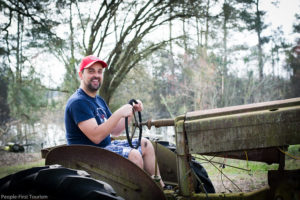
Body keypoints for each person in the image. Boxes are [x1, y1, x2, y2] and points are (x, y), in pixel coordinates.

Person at [64, 55, 165, 188]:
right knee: (133, 155)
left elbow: (116, 130)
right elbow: (96, 137)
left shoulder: (99, 100)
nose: (96, 75)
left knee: (145, 143)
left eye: (99, 71)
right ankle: (140, 194)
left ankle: (161, 189)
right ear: (81, 75)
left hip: (104, 148)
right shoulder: (78, 102)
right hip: (87, 155)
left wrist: (131, 111)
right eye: (91, 71)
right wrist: (118, 113)